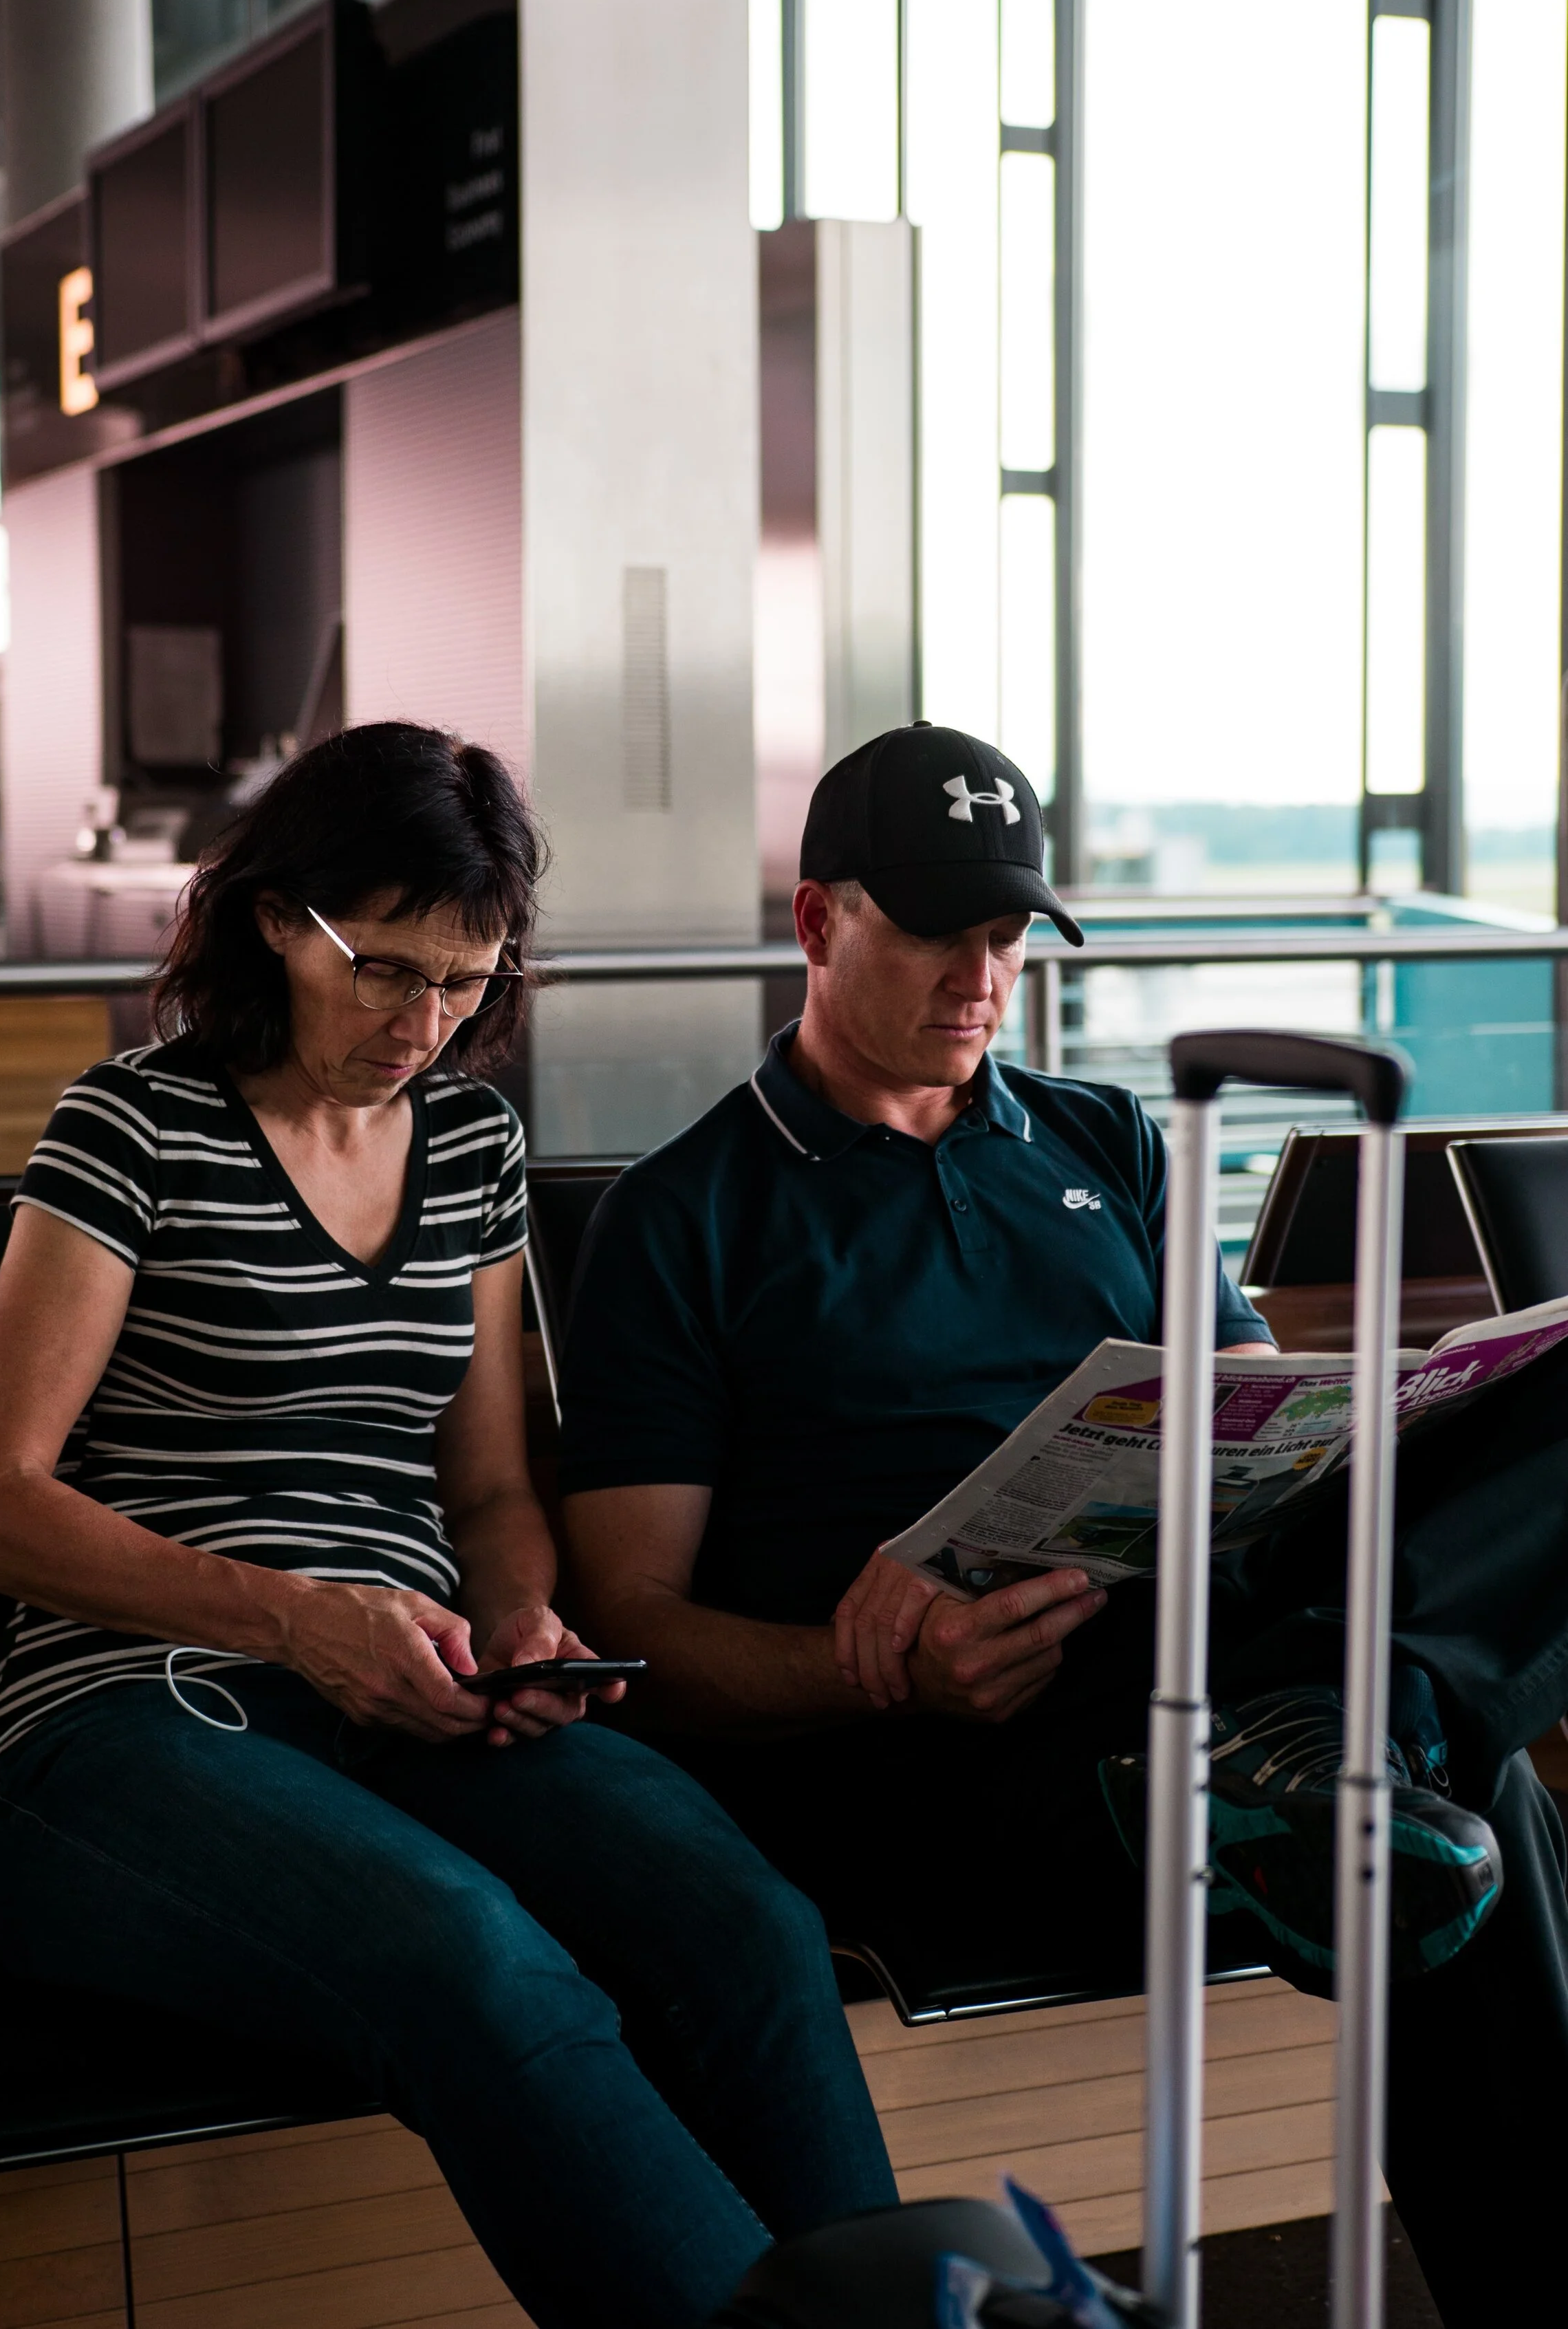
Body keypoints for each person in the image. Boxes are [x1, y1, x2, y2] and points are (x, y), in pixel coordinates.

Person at [558, 718, 1568, 2329]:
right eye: (940, 927)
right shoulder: (682, 1218)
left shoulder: (1104, 1142)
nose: (983, 969)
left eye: (1010, 930)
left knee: (1546, 1408)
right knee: (1473, 1797)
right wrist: (869, 1668)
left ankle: (1343, 1737)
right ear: (820, 924)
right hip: (950, 1759)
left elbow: (1261, 1434)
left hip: (1204, 1663)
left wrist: (1361, 1429)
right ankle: (1351, 1749)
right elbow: (627, 1632)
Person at [0, 722, 895, 2329]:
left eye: (465, 982)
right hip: (121, 1726)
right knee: (474, 1959)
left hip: (411, 1693)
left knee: (747, 1929)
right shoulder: (134, 1126)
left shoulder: (469, 1146)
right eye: (380, 970)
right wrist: (298, 1617)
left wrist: (520, 1619)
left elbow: (492, 1493)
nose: (421, 1024)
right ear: (270, 919)